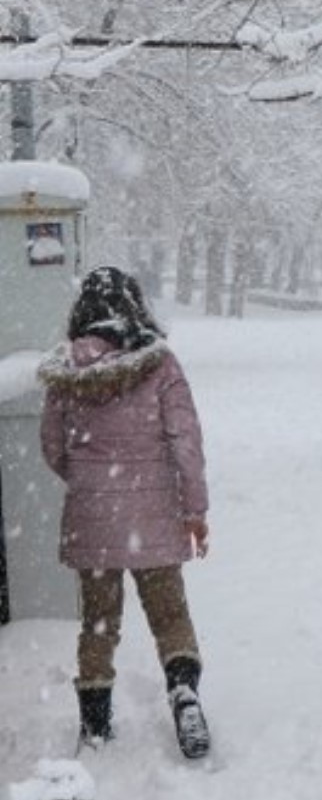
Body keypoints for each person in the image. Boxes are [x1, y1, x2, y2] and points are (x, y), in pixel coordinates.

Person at [38, 267, 213, 759]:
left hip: (91, 516)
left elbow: (52, 446)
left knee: (98, 620)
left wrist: (87, 481)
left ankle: (95, 721)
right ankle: (183, 692)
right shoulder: (160, 365)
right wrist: (194, 508)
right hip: (154, 512)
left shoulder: (66, 370)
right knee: (169, 612)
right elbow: (186, 443)